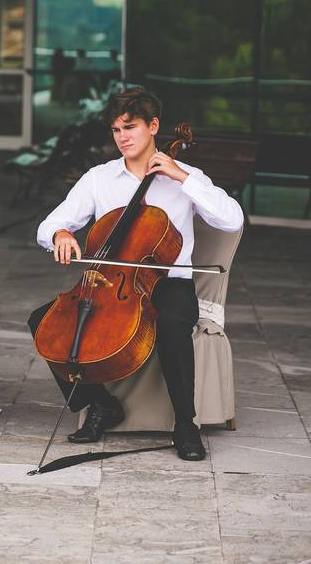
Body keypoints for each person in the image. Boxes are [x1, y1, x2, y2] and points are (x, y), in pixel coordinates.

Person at [27, 87, 244, 460]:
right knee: (42, 322)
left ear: (153, 126)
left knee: (174, 325)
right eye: (116, 130)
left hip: (170, 281)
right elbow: (50, 224)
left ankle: (185, 426)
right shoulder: (100, 178)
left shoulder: (186, 175)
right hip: (110, 283)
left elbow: (232, 219)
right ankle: (99, 405)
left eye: (130, 127)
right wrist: (60, 234)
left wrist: (181, 177)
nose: (122, 137)